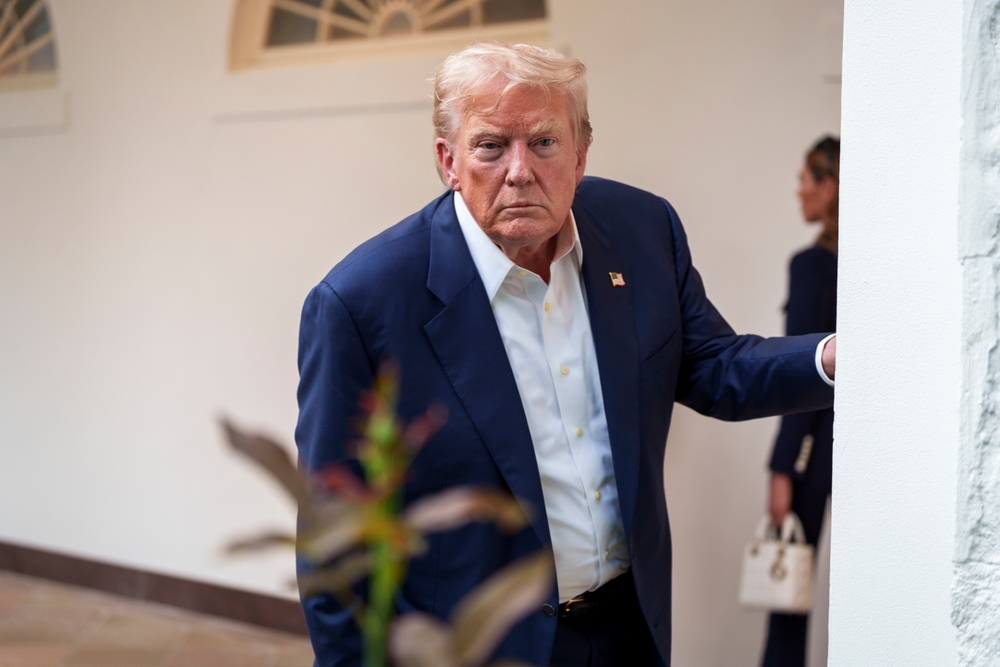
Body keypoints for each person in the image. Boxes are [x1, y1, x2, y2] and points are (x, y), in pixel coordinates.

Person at [295, 43, 837, 667]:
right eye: (490, 145)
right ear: (448, 160)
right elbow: (334, 551)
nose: (519, 170)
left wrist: (834, 358)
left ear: (580, 154)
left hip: (631, 629)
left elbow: (714, 365)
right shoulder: (363, 303)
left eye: (544, 143)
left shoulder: (641, 230)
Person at [760, 136, 839, 667]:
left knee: (787, 597)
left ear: (828, 187)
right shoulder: (862, 267)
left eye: (805, 180)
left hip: (812, 451)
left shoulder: (812, 265)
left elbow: (802, 375)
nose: (798, 191)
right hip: (846, 445)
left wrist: (782, 468)